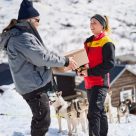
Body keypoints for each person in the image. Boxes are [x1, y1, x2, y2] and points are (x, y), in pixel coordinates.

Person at [0, 0, 78, 136]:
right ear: (29, 20)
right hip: (34, 86)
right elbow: (41, 57)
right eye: (37, 20)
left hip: (36, 83)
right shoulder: (22, 38)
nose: (39, 23)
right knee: (42, 119)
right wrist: (64, 61)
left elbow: (42, 55)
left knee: (43, 116)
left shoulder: (24, 35)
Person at [77, 14, 115, 136]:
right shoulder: (88, 41)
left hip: (100, 83)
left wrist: (90, 72)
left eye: (94, 23)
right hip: (89, 83)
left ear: (102, 26)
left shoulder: (107, 42)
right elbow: (84, 61)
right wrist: (80, 69)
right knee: (99, 111)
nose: (91, 25)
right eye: (90, 22)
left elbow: (109, 64)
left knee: (93, 113)